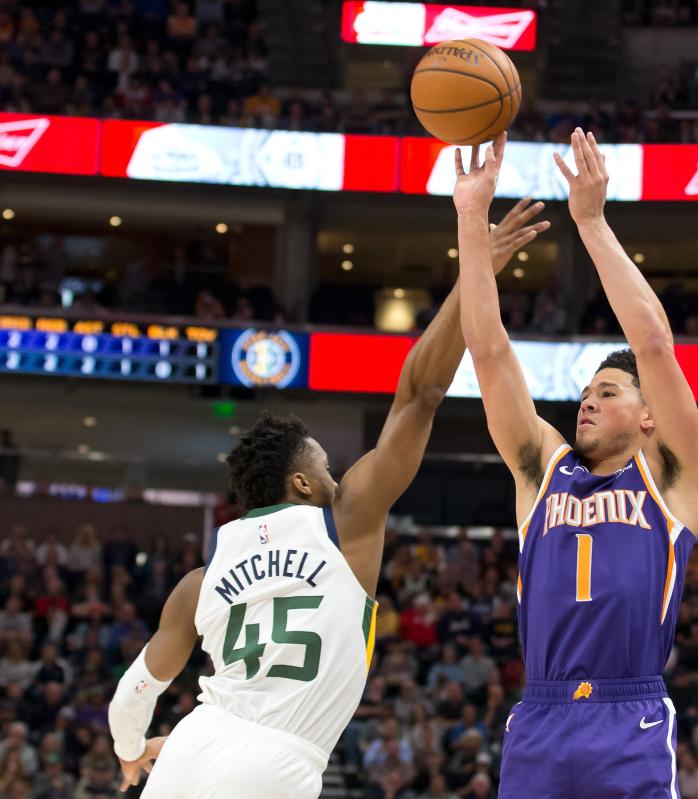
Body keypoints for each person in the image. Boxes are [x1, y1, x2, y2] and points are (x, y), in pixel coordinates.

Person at [107, 201, 549, 799]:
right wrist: (477, 270)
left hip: (191, 746)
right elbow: (422, 392)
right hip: (276, 764)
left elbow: (130, 698)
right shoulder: (344, 524)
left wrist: (133, 752)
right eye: (322, 461)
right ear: (302, 484)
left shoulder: (199, 580)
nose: (335, 471)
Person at [455, 128, 698, 798]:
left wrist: (592, 223)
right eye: (583, 394)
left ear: (649, 413)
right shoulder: (544, 470)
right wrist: (469, 220)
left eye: (608, 392)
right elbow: (487, 353)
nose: (587, 405)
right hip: (540, 715)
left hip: (630, 716)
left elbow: (654, 343)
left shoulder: (672, 474)